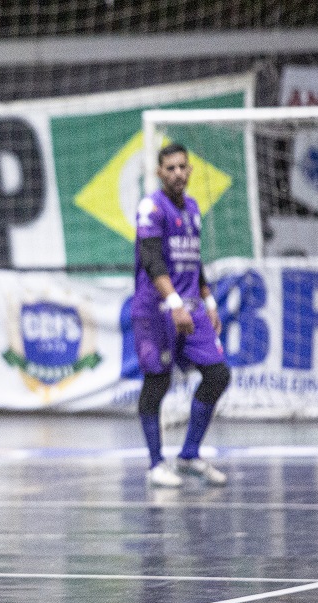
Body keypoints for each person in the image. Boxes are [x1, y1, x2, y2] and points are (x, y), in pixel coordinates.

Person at [134, 142, 230, 488]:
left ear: (190, 170)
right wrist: (173, 301)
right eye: (170, 168)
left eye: (182, 167)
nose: (177, 173)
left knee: (218, 374)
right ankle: (156, 463)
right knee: (157, 382)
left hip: (190, 307)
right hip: (156, 310)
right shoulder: (151, 207)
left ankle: (188, 455)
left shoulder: (192, 208)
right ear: (160, 172)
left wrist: (209, 300)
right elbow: (151, 258)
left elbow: (193, 260)